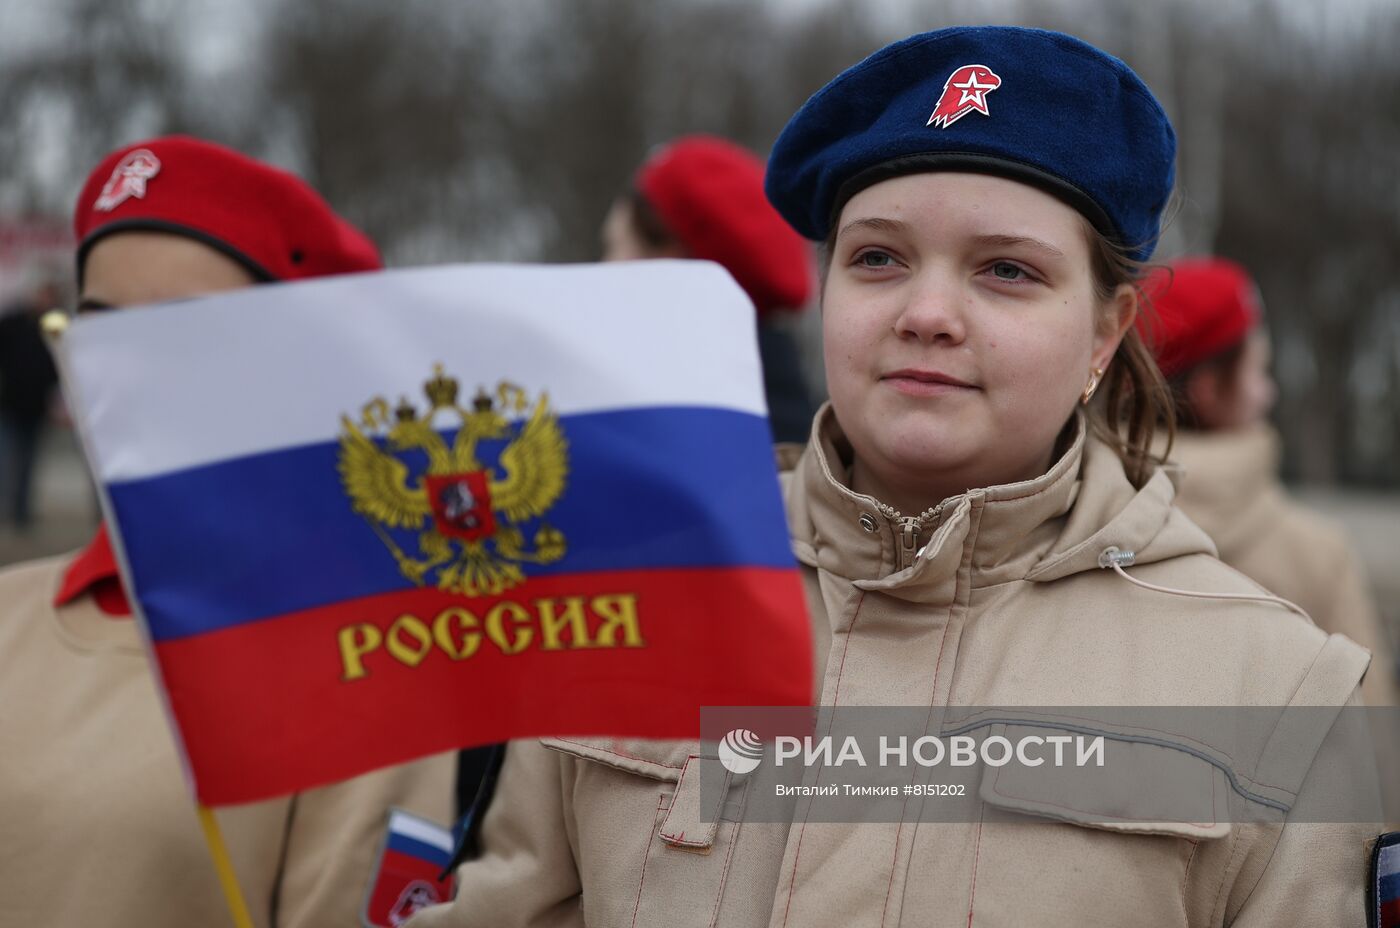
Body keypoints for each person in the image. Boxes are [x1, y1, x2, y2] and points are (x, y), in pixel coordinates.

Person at [410, 27, 1382, 927]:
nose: (925, 311)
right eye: (876, 257)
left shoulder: (1289, 697)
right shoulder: (620, 604)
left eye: (1004, 270)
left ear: (1104, 329)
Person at [0, 136, 455, 927]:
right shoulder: (11, 614)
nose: (127, 369)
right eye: (100, 325)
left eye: (183, 331)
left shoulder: (374, 656)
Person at [1143, 257, 1399, 707]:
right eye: (1259, 371)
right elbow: (1373, 751)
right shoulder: (1317, 557)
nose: (1269, 392)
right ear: (1207, 389)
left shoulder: (1073, 520)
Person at [602, 135, 817, 443]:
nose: (601, 269)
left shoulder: (665, 433)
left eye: (612, 248)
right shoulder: (782, 412)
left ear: (667, 262)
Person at [0, 274, 63, 528]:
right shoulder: (12, 323)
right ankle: (7, 507)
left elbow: (56, 369)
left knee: (28, 461)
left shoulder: (52, 329)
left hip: (36, 407)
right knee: (7, 458)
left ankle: (21, 511)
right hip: (9, 404)